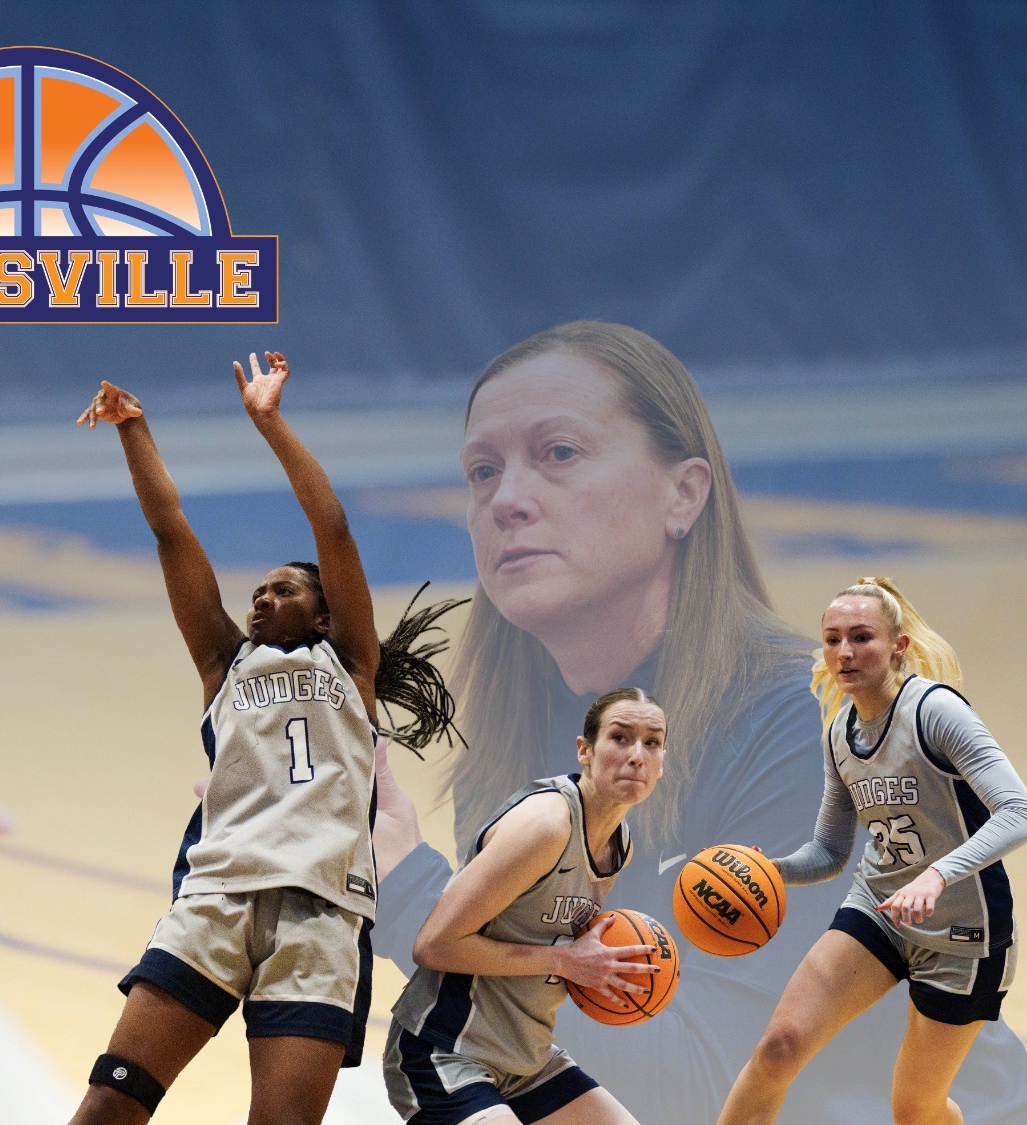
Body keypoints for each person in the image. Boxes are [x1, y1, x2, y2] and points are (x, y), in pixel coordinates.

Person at [352, 321, 1027, 1124]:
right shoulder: (516, 743)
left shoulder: (804, 726)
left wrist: (409, 892)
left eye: (559, 453)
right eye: (483, 471)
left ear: (684, 494)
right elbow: (527, 1036)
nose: (506, 500)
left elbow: (708, 1087)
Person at [66, 352, 458, 1125]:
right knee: (112, 1099)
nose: (261, 598)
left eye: (284, 589)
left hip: (323, 913)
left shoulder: (350, 663)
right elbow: (170, 531)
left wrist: (269, 421)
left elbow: (332, 525)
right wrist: (133, 428)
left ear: (324, 612)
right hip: (218, 894)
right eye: (256, 591)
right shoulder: (225, 664)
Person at [718, 579, 1027, 1125]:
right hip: (880, 909)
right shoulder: (841, 732)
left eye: (861, 637)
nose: (845, 651)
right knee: (778, 1050)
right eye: (832, 639)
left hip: (964, 932)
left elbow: (1017, 810)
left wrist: (937, 875)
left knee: (915, 1111)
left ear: (898, 646)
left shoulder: (934, 711)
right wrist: (769, 870)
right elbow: (829, 851)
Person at [385, 687, 667, 1125]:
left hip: (526, 1059)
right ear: (585, 751)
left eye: (652, 742)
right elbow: (433, 946)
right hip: (446, 1049)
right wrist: (567, 962)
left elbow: (563, 941)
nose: (637, 756)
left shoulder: (619, 844)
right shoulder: (546, 825)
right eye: (620, 737)